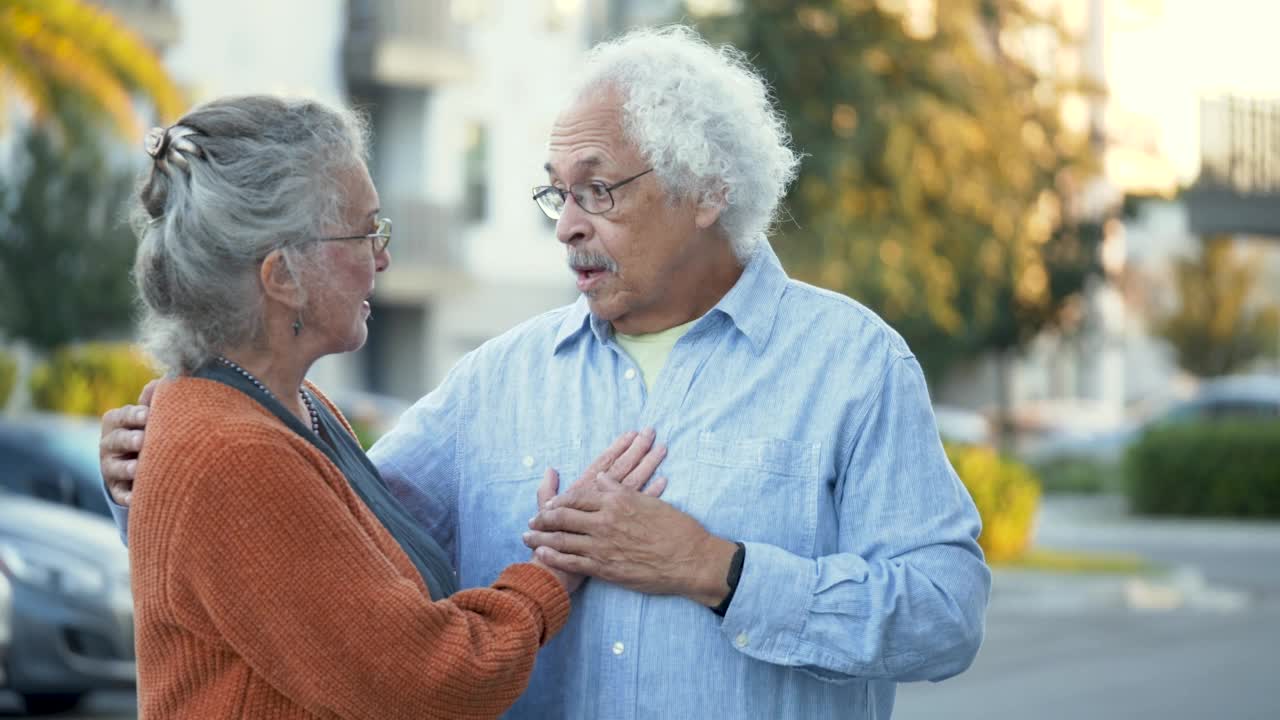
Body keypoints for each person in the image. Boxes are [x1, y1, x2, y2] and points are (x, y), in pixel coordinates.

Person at [103, 27, 990, 718]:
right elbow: (325, 561)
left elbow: (945, 616)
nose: (565, 224)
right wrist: (145, 483)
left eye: (597, 190)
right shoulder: (496, 379)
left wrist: (720, 570)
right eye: (554, 192)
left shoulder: (851, 366)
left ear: (706, 189)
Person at [117, 94, 666, 720]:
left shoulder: (285, 408)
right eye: (365, 231)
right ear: (283, 276)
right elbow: (425, 682)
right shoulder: (234, 452)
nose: (382, 257)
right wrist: (552, 570)